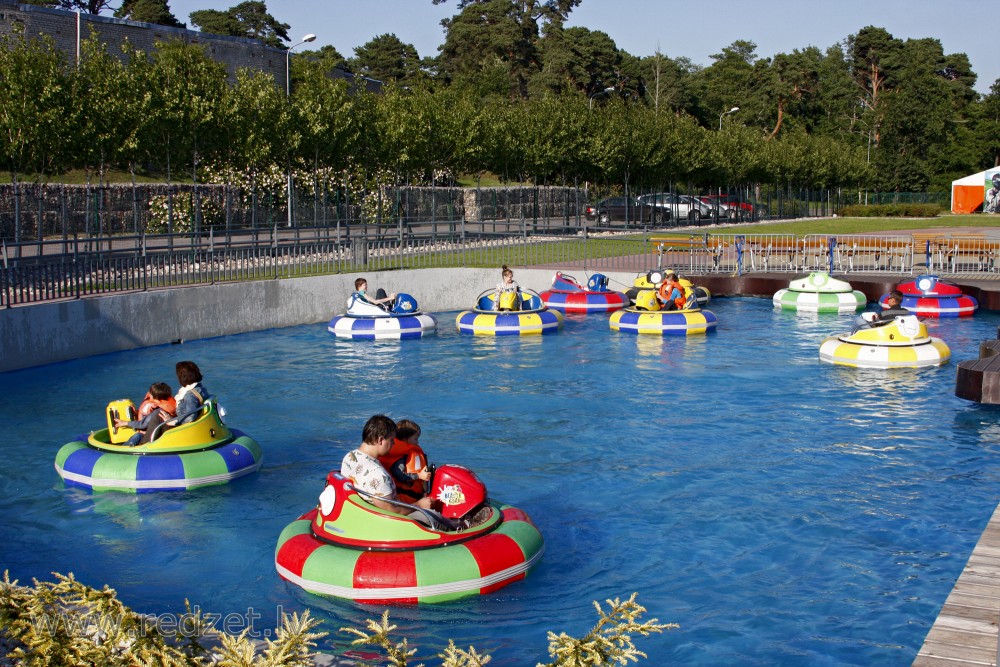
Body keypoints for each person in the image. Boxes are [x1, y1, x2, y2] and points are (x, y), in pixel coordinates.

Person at [341, 415, 434, 515]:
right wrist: (419, 505)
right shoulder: (378, 475)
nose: (394, 444)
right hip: (397, 518)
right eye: (392, 440)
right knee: (441, 521)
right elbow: (393, 511)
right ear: (380, 440)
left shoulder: (350, 457)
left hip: (363, 511)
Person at [138, 361, 211, 443]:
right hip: (187, 425)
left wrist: (173, 421)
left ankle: (143, 444)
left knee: (157, 416)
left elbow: (190, 417)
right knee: (160, 413)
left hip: (182, 429)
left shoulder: (190, 396)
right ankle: (144, 433)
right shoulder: (200, 389)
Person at [378, 419, 433, 503]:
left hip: (415, 495)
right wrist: (419, 476)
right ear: (405, 438)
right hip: (404, 498)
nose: (417, 442)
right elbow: (400, 475)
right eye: (415, 439)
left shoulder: (411, 451)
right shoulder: (400, 455)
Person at [114, 382, 177, 447]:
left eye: (150, 393)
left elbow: (142, 424)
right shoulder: (168, 407)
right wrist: (137, 413)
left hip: (148, 439)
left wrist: (125, 423)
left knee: (137, 436)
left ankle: (123, 449)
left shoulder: (158, 412)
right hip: (161, 435)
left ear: (155, 397)